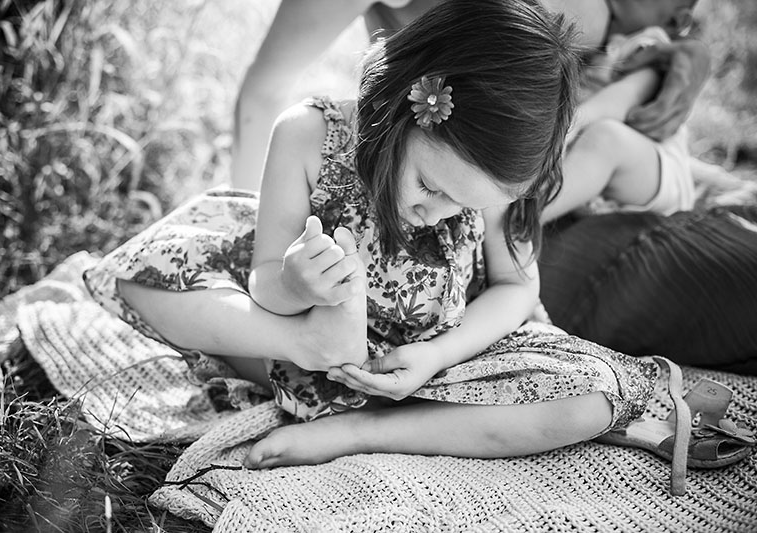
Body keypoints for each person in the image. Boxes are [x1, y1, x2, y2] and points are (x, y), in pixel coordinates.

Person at [85, 0, 662, 471]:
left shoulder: (501, 174)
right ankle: (314, 344)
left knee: (591, 399)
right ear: (407, 104)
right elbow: (263, 276)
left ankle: (360, 431)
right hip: (302, 354)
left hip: (435, 368)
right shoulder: (308, 136)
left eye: (466, 205)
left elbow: (516, 287)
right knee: (147, 273)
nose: (438, 213)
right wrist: (293, 287)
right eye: (430, 186)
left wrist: (436, 355)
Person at [230, 0, 712, 192]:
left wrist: (660, 69)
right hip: (487, 167)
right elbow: (263, 93)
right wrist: (251, 223)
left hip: (529, 167)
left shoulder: (593, 17)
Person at [542, 0, 700, 222]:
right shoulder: (602, 36)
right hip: (602, 171)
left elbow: (628, 96)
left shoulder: (650, 43)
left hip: (658, 174)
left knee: (606, 138)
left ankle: (521, 218)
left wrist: (572, 125)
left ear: (676, 21)